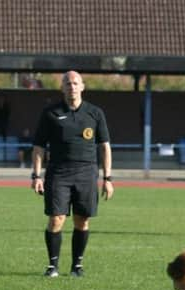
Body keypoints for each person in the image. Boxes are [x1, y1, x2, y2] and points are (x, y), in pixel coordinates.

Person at [31, 70, 114, 278]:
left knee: (82, 220)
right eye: (68, 83)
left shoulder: (95, 113)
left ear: (83, 87)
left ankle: (77, 266)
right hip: (58, 172)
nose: (72, 87)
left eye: (76, 83)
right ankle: (52, 266)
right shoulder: (50, 113)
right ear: (62, 88)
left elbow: (105, 147)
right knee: (56, 219)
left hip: (87, 172)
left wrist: (107, 178)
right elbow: (39, 147)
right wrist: (36, 176)